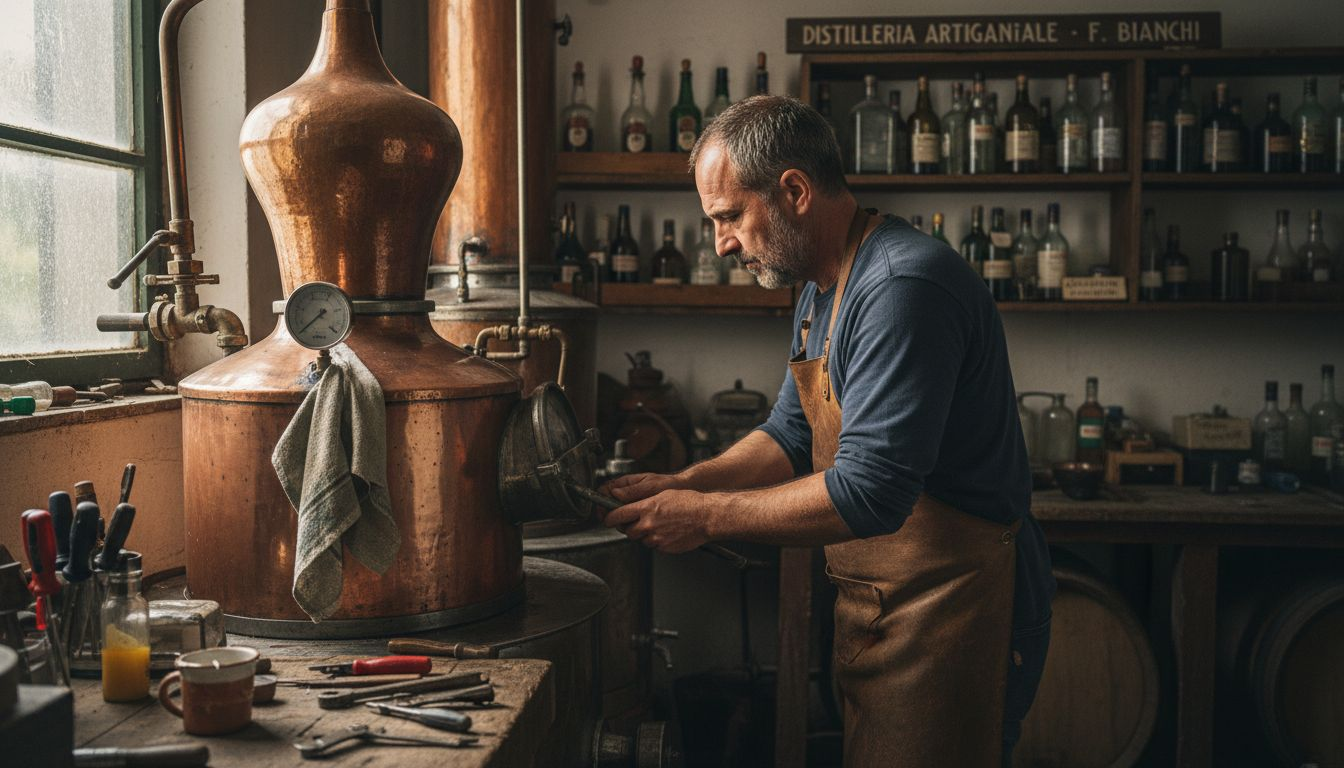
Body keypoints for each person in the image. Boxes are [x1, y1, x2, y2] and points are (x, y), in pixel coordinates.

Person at [599, 95, 1055, 767]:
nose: (721, 242)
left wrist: (704, 516)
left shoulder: (902, 286)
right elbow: (788, 433)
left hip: (956, 608)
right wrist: (683, 482)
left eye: (728, 217)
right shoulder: (822, 286)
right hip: (887, 606)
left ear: (794, 191)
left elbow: (873, 491)